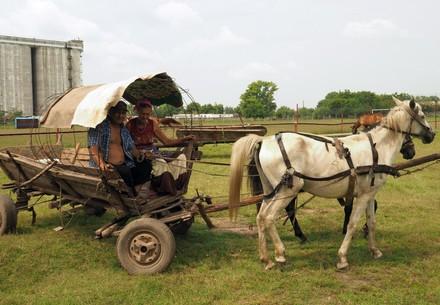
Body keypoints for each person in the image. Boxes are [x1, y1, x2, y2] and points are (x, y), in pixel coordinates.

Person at [126, 99, 195, 195]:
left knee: (181, 158)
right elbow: (127, 145)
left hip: (154, 153)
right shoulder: (130, 125)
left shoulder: (152, 124)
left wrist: (184, 139)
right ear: (137, 111)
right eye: (143, 114)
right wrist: (141, 153)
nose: (145, 117)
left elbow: (166, 141)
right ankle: (165, 188)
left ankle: (174, 186)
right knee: (161, 163)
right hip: (139, 157)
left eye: (148, 114)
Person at [88, 101, 151, 196]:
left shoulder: (124, 129)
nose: (121, 115)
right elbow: (93, 148)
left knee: (146, 166)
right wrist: (101, 163)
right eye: (117, 112)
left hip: (125, 164)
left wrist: (141, 155)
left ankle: (135, 191)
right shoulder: (99, 127)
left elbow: (131, 148)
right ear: (110, 112)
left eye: (123, 113)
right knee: (125, 172)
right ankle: (132, 195)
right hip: (108, 166)